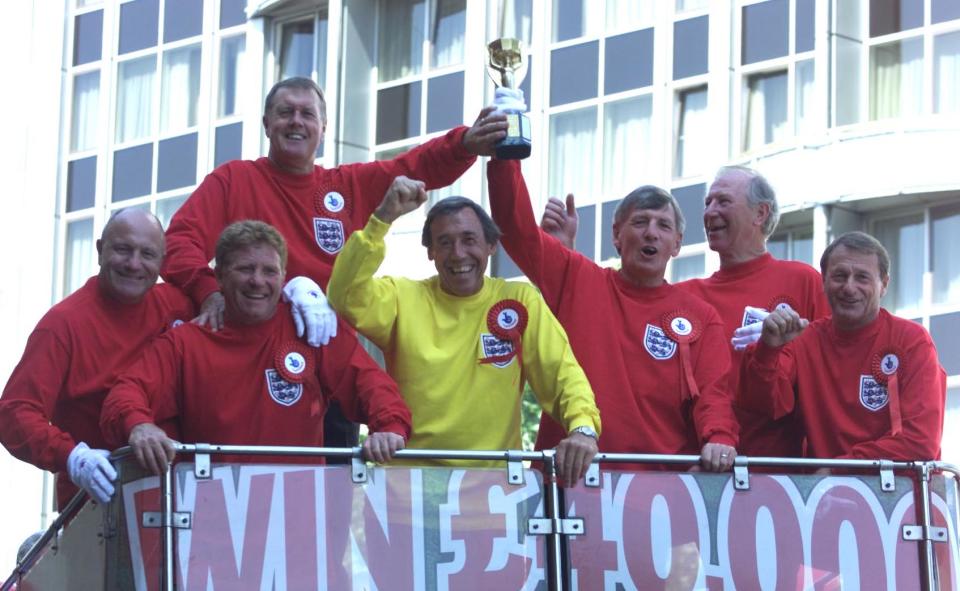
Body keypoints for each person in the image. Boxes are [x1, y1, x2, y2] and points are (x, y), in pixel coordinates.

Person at [162, 76, 506, 451]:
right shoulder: (234, 180)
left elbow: (412, 165)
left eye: (307, 114)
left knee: (328, 498)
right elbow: (178, 241)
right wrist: (208, 292)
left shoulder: (345, 186)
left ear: (323, 129)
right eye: (285, 112)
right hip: (250, 374)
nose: (296, 121)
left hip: (330, 371)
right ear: (266, 124)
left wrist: (464, 144)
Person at [326, 177, 602, 485]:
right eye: (444, 243)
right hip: (408, 498)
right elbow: (343, 294)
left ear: (491, 245)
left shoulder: (520, 301)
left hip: (493, 503)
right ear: (430, 253)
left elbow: (562, 374)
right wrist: (382, 218)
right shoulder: (402, 297)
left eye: (469, 240)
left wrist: (583, 428)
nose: (458, 254)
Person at [540, 165, 828, 458]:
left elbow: (828, 378)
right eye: (707, 203)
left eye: (723, 201)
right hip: (700, 471)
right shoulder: (686, 301)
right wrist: (565, 256)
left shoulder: (803, 281)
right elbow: (607, 342)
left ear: (760, 213)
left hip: (778, 471)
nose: (709, 211)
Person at [100, 221, 411, 474]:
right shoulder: (185, 344)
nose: (257, 281)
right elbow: (125, 394)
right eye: (245, 269)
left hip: (300, 527)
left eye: (269, 271)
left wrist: (389, 427)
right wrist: (139, 426)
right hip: (214, 529)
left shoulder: (311, 330)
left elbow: (371, 383)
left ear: (284, 277)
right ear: (219, 277)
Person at [489, 159, 739, 471]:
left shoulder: (701, 316)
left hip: (661, 494)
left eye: (663, 225)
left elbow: (713, 396)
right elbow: (515, 231)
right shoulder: (577, 278)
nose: (651, 233)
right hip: (570, 485)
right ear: (616, 235)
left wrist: (719, 438)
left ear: (677, 244)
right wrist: (504, 156)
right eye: (639, 222)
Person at [0, 209, 194, 508]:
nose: (133, 264)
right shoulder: (62, 325)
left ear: (162, 262)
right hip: (97, 508)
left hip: (179, 500)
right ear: (100, 250)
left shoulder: (179, 306)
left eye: (147, 254)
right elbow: (14, 414)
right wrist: (74, 457)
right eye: (122, 249)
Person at [740, 232, 945, 461]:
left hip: (899, 493)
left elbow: (920, 443)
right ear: (824, 282)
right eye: (839, 276)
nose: (849, 287)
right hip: (825, 491)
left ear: (884, 285)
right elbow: (767, 407)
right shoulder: (802, 340)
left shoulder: (912, 341)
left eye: (862, 278)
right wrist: (768, 350)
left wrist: (840, 469)